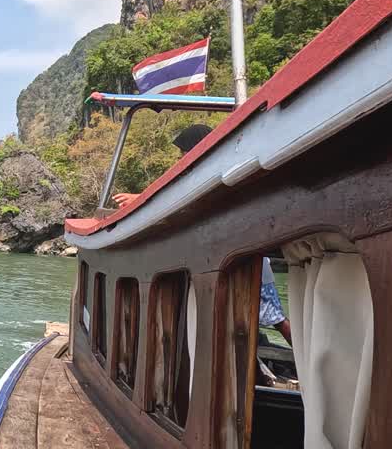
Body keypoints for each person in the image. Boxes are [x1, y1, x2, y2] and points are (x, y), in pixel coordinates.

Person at [112, 122, 293, 344]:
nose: (181, 157)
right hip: (233, 259)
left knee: (275, 318)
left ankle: (303, 360)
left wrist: (140, 199)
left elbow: (174, 198)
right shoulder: (210, 172)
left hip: (244, 259)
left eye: (183, 152)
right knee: (260, 317)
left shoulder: (211, 174)